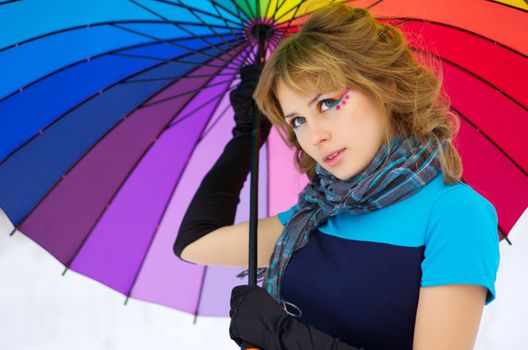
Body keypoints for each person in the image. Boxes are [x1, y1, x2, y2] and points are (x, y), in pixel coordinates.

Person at [173, 3, 500, 350]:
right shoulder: (320, 213)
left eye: (327, 103)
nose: (314, 136)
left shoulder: (455, 213)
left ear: (382, 84)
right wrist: (246, 136)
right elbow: (195, 244)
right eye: (297, 120)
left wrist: (284, 336)